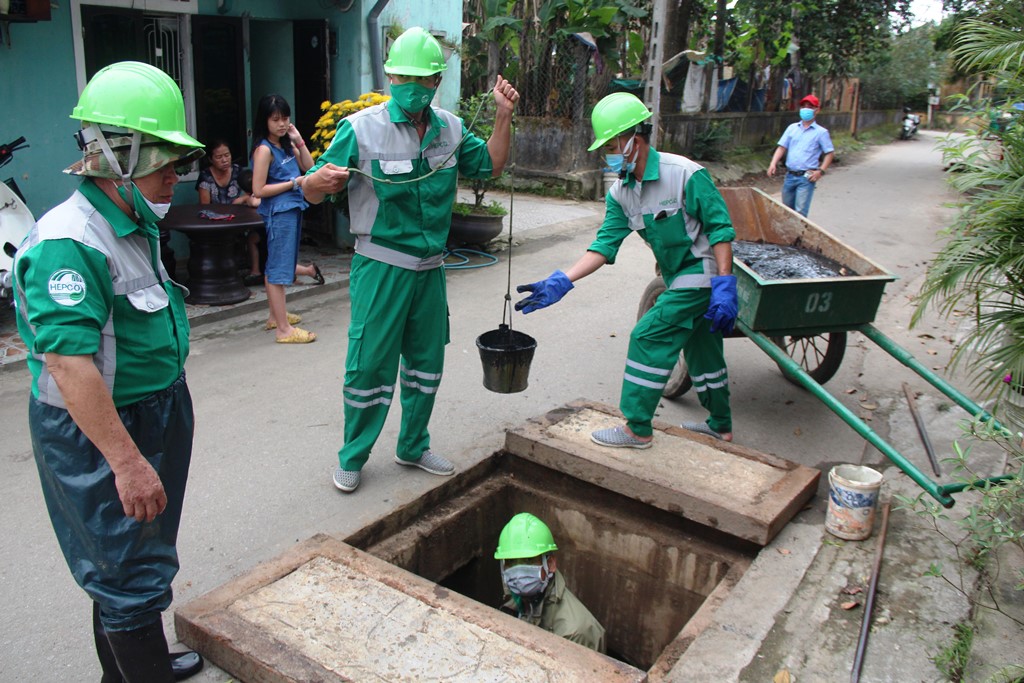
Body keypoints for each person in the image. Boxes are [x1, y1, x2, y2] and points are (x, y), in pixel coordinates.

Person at [12, 61, 205, 682]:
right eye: (164, 163)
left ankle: (126, 671)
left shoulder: (133, 222)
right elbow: (69, 364)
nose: (175, 176)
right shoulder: (70, 243)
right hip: (101, 430)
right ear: (118, 159)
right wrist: (126, 462)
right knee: (126, 573)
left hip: (153, 412)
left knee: (137, 561)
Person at [302, 26, 519, 493]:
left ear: (437, 81)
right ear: (390, 77)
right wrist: (318, 183)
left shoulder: (452, 129)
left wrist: (503, 116)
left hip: (430, 270)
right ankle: (352, 456)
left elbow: (491, 165)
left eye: (422, 79)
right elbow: (312, 188)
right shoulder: (361, 128)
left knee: (425, 365)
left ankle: (413, 446)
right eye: (403, 78)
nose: (412, 87)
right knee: (368, 367)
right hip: (381, 267)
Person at [515, 92, 737, 445]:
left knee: (647, 336)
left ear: (635, 137)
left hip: (702, 272)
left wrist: (724, 283)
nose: (609, 154)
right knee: (702, 348)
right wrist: (561, 281)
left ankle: (637, 429)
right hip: (675, 277)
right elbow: (604, 245)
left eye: (612, 145)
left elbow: (720, 228)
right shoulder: (621, 193)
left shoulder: (684, 174)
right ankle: (720, 425)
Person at [250, 94, 324, 344]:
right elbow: (258, 190)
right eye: (275, 119)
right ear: (265, 121)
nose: (282, 124)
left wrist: (299, 141)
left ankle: (275, 317)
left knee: (279, 264)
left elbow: (310, 168)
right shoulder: (264, 150)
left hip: (292, 208)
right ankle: (283, 330)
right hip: (279, 212)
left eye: (285, 118)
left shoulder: (286, 144)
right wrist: (293, 183)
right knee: (278, 268)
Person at [494, 513, 605, 652]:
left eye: (529, 560)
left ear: (550, 564)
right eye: (511, 562)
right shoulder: (515, 600)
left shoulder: (575, 632)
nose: (519, 572)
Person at [195, 139, 266, 286]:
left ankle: (255, 271)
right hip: (215, 222)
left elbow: (253, 193)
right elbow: (204, 206)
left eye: (227, 155)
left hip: (241, 219)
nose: (224, 160)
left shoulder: (239, 172)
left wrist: (242, 199)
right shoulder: (206, 176)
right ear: (210, 159)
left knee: (257, 234)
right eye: (219, 157)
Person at [766, 94, 834, 217]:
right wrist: (773, 163)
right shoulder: (792, 128)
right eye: (803, 106)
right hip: (790, 175)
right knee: (786, 211)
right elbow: (781, 147)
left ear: (817, 110)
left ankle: (799, 230)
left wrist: (821, 171)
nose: (806, 109)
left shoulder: (821, 133)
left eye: (810, 107)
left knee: (800, 212)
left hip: (806, 178)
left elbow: (829, 153)